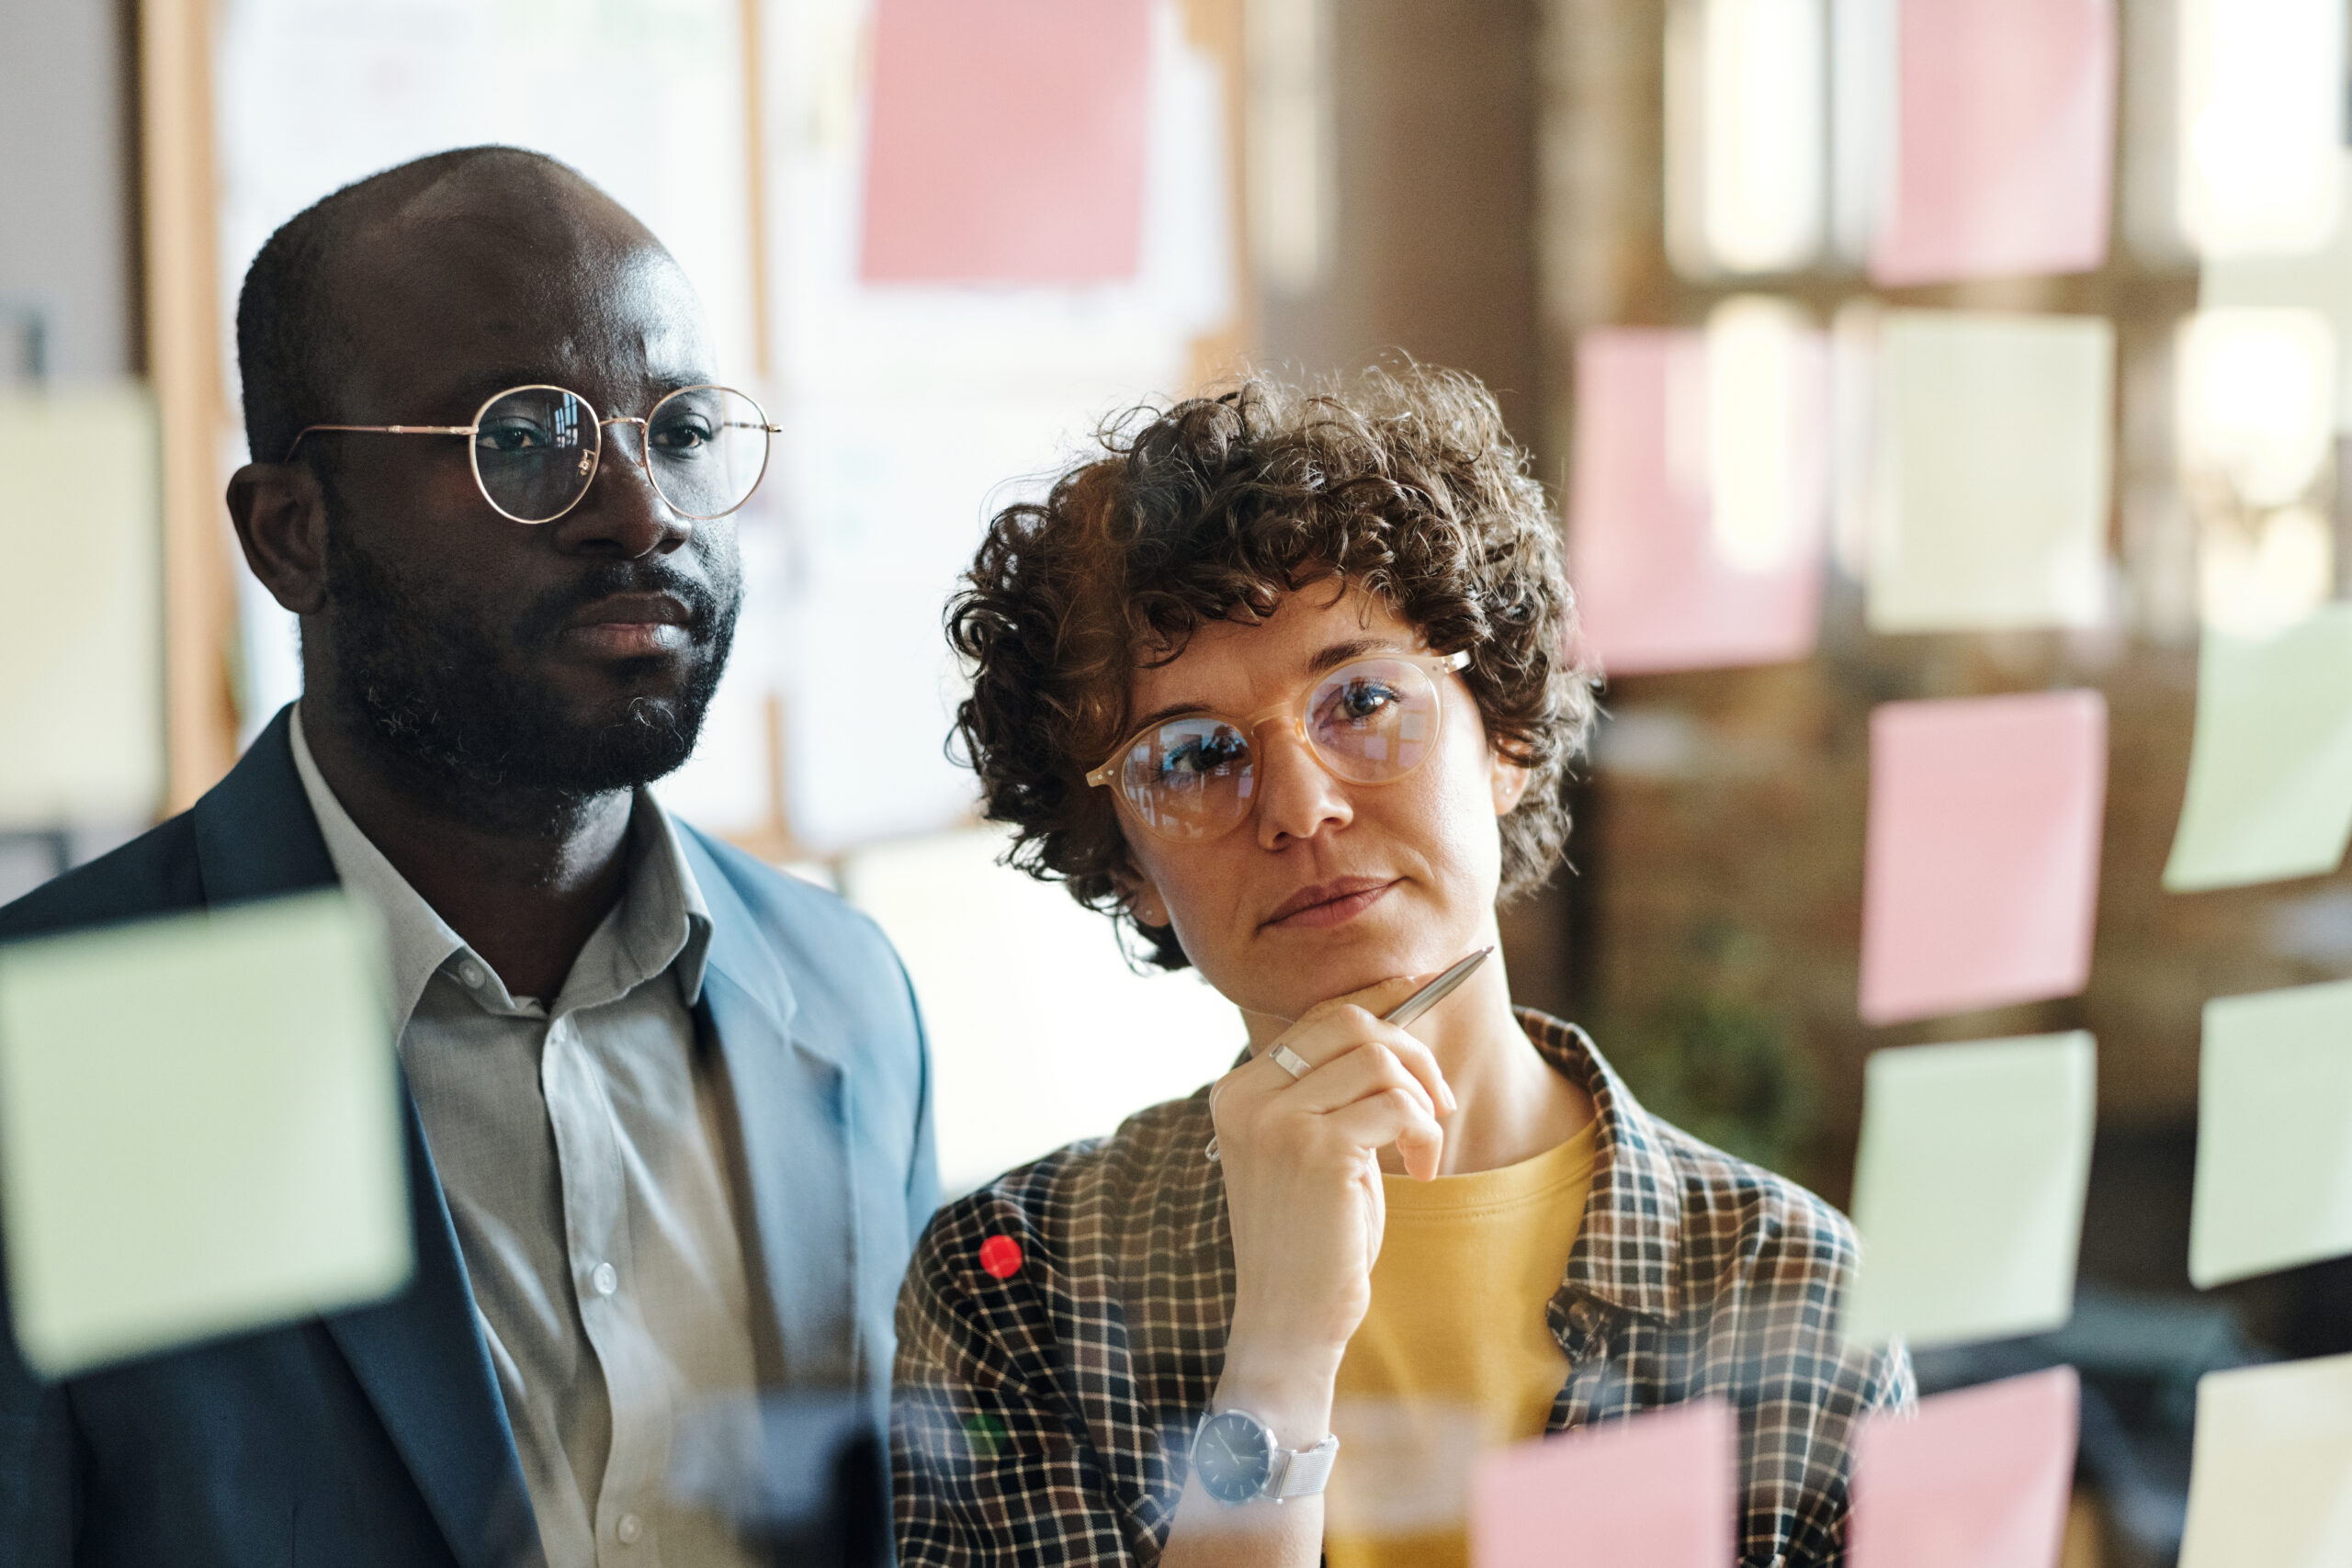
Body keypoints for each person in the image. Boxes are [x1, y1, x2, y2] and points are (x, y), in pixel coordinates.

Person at [0, 148, 936, 1568]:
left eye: (680, 427)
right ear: (293, 536)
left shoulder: (845, 996)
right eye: (524, 439)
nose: (643, 510)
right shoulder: (61, 1039)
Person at [893, 367, 1912, 1568]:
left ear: (1509, 740)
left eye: (1363, 698)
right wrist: (1276, 1353)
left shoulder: (1788, 1288)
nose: (1300, 805)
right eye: (1193, 756)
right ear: (1125, 865)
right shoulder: (1016, 1286)